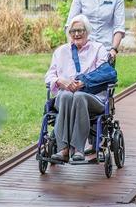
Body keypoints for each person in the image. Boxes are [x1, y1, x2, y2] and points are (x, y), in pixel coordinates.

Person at [44, 15, 112, 162]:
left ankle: (78, 149)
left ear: (87, 31)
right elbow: (49, 76)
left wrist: (83, 82)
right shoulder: (61, 51)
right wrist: (59, 80)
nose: (76, 34)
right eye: (72, 31)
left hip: (92, 98)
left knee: (79, 96)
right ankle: (64, 150)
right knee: (67, 96)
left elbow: (105, 73)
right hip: (65, 95)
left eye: (80, 30)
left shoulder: (98, 49)